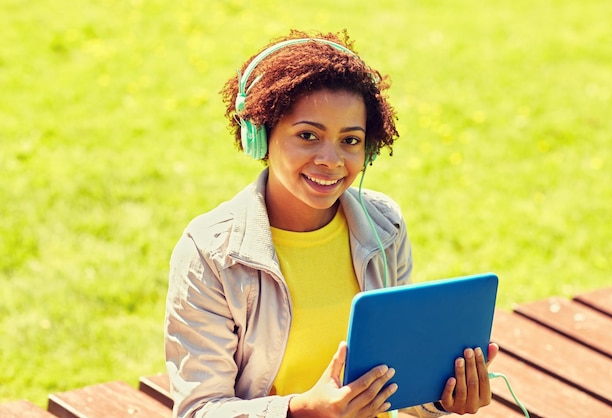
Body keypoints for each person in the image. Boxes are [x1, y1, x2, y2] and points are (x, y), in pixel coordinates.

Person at [164, 29, 498, 418]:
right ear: (259, 135)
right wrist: (304, 410)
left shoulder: (383, 226)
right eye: (308, 135)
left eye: (350, 140)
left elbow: (397, 379)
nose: (331, 159)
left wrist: (443, 396)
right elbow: (199, 410)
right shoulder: (209, 254)